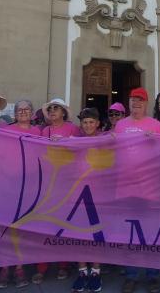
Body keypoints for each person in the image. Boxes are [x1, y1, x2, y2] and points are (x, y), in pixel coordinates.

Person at [115, 88, 160, 293]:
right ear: (129, 101)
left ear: (146, 103)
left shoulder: (156, 125)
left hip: (149, 188)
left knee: (151, 233)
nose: (136, 103)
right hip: (126, 188)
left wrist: (156, 142)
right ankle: (132, 275)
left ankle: (152, 276)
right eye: (133, 99)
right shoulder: (120, 125)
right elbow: (111, 150)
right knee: (130, 234)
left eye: (140, 100)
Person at [72, 108, 104, 293]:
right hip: (78, 192)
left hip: (99, 194)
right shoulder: (75, 141)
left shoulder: (105, 140)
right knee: (79, 233)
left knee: (96, 234)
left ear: (98, 123)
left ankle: (96, 271)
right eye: (85, 122)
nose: (88, 125)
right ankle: (82, 271)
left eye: (92, 122)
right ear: (81, 125)